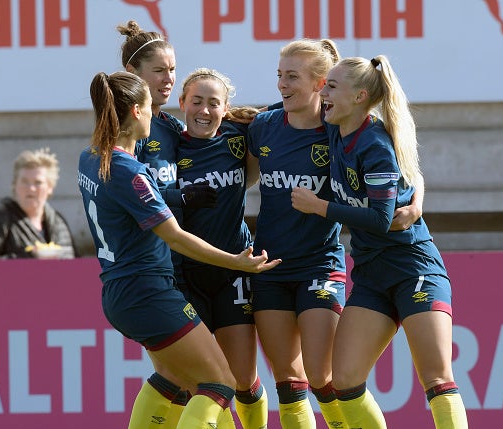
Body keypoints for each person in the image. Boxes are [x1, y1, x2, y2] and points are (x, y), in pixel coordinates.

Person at [79, 70, 281, 428]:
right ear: (138, 112)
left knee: (174, 382)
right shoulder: (130, 171)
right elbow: (174, 236)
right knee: (219, 383)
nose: (160, 115)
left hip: (119, 292)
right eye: (151, 107)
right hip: (149, 291)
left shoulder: (90, 158)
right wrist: (236, 261)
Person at [290, 55, 468, 428]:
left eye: (332, 86)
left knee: (436, 378)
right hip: (372, 274)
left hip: (413, 268)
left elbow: (380, 219)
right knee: (345, 381)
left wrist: (320, 206)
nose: (323, 91)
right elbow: (414, 175)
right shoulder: (334, 123)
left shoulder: (375, 144)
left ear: (359, 97)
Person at [115, 21, 218, 429]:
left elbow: (209, 145)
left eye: (173, 69)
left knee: (178, 380)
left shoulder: (170, 126)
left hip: (183, 267)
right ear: (133, 74)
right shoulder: (129, 131)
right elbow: (140, 199)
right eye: (159, 70)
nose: (169, 79)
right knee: (214, 382)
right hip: (155, 273)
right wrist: (183, 197)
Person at [246, 38, 348, 429]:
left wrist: (415, 197)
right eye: (279, 76)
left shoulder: (341, 130)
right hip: (269, 267)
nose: (282, 85)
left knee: (324, 377)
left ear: (321, 84)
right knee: (288, 383)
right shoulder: (264, 127)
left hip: (319, 265)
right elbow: (242, 176)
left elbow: (397, 163)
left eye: (292, 77)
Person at [177, 67, 268, 429]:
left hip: (235, 270)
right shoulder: (167, 145)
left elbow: (283, 120)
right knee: (202, 383)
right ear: (181, 103)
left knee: (243, 381)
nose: (204, 111)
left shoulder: (237, 134)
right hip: (186, 275)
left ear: (226, 108)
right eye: (196, 101)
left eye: (214, 103)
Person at [0, 147, 76, 259]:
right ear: (15, 185)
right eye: (24, 182)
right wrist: (25, 260)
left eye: (38, 183)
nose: (31, 188)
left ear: (50, 187)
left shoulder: (59, 223)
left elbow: (77, 264)